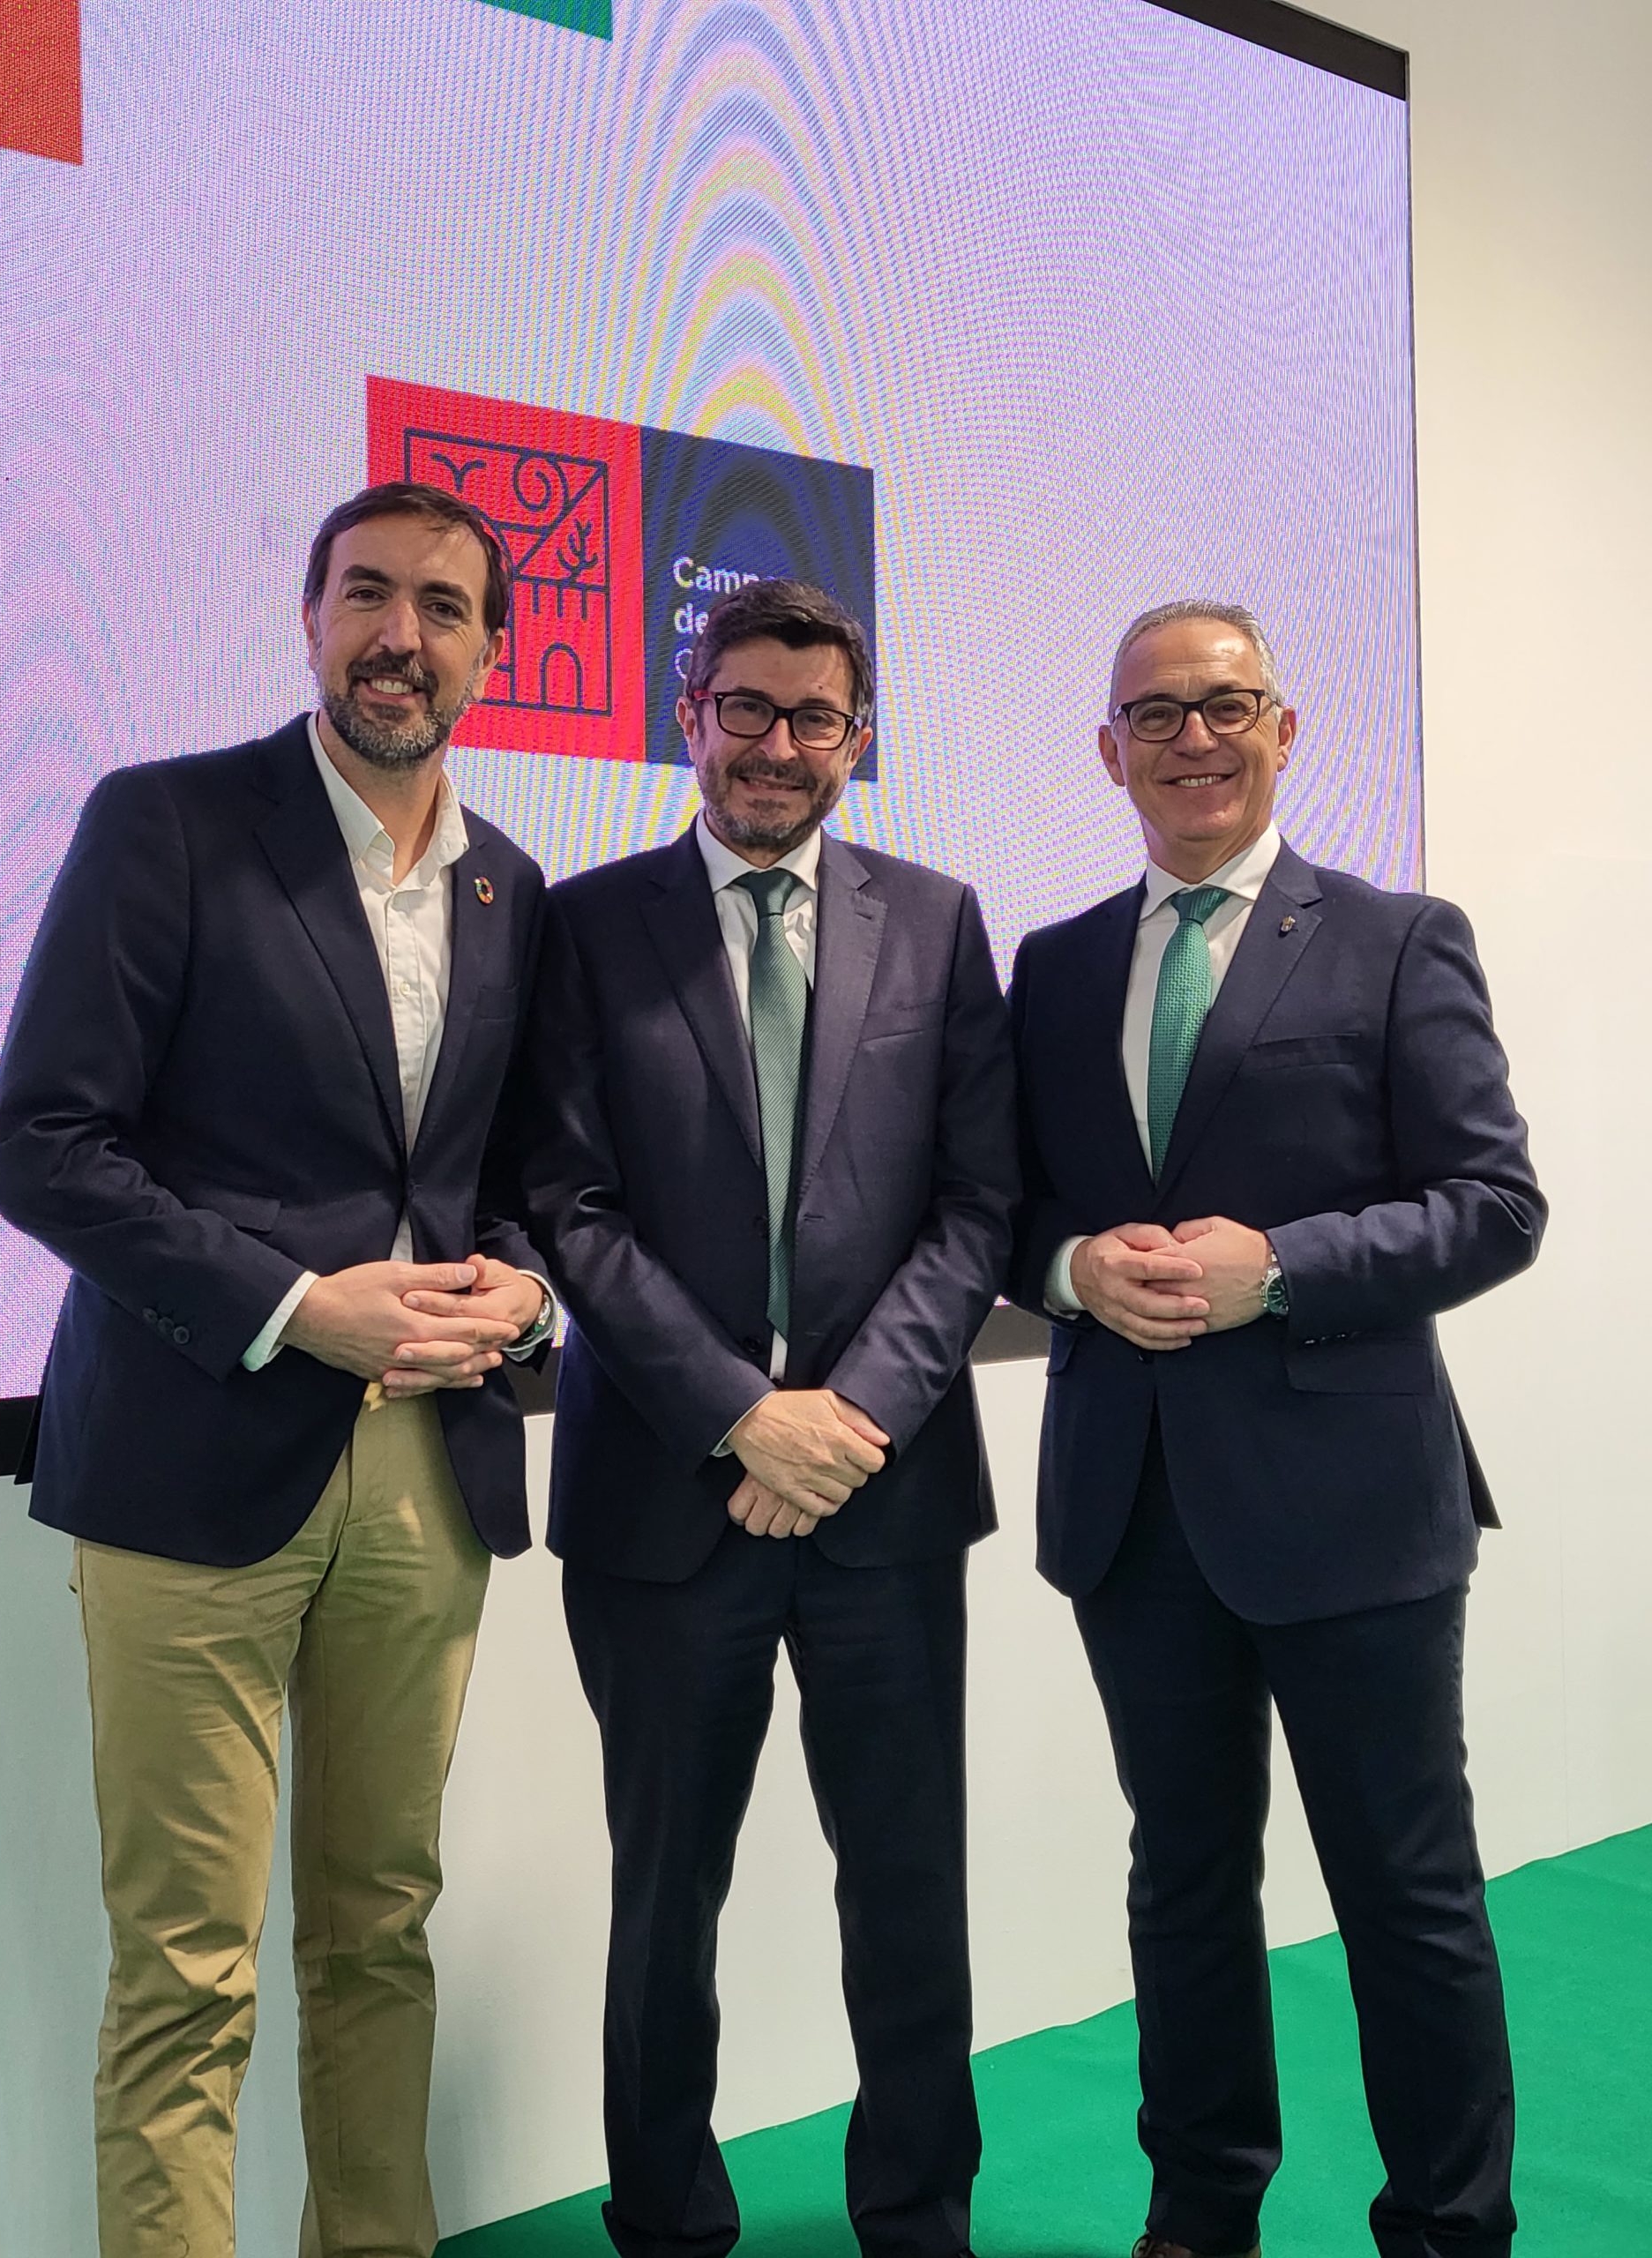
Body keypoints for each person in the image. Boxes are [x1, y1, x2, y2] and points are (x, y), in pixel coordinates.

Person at [0, 480, 557, 2258]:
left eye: (442, 606)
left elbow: (511, 1176)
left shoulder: (509, 882)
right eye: (366, 594)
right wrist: (299, 1303)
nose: (401, 635)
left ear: (493, 648)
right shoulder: (166, 823)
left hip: (427, 1468)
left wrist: (526, 1289)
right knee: (186, 1964)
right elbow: (42, 1147)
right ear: (310, 619)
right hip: (190, 1451)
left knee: (379, 1930)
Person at [1006, 601, 1544, 2258]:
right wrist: (1069, 1269)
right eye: (1157, 715)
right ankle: (1200, 2213)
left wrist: (1285, 1269)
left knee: (1406, 1891)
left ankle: (1449, 2226)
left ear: (1286, 729)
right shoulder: (1055, 965)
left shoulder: (1399, 938)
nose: (1195, 739)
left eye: (1227, 705)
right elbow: (1004, 1209)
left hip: (1353, 1509)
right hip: (1134, 1506)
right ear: (1109, 751)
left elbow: (1495, 1204)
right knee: (1182, 1882)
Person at [520, 579, 1018, 2258]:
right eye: (747, 707)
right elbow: (570, 1204)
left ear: (858, 740)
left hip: (886, 1497)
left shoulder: (939, 920)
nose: (779, 746)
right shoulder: (588, 924)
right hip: (667, 1501)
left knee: (909, 1885)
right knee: (666, 1896)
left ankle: (919, 2218)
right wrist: (743, 1415)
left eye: (816, 718)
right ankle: (666, 2220)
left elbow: (978, 1206)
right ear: (691, 716)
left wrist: (849, 1418)